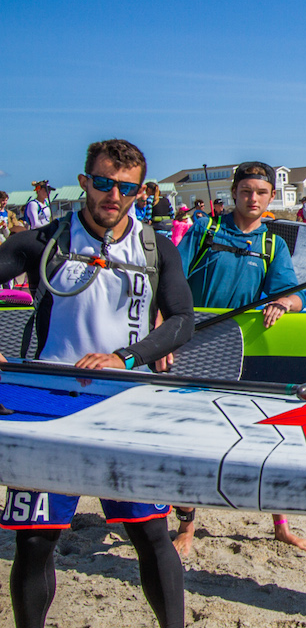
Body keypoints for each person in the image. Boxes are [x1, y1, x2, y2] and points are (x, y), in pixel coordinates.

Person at [0, 139, 194, 628]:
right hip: (48, 403)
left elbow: (182, 320)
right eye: (104, 183)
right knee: (36, 539)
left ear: (140, 192)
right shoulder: (43, 242)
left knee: (150, 534)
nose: (114, 196)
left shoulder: (156, 246)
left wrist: (126, 357)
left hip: (124, 401)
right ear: (85, 181)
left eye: (126, 188)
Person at [174, 160, 306, 557]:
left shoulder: (273, 244)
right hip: (194, 347)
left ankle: (280, 525)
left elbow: (295, 295)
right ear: (234, 193)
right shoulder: (205, 230)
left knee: (265, 438)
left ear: (271, 197)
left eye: (261, 192)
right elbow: (172, 281)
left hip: (244, 351)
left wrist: (285, 303)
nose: (253, 198)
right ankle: (188, 523)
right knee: (192, 440)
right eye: (246, 191)